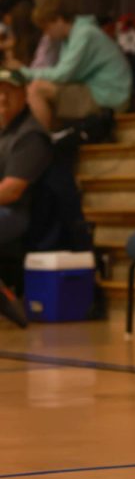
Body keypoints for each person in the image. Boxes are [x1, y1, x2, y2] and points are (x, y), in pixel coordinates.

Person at [7, 0, 132, 135]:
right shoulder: (72, 36)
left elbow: (62, 75)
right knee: (36, 90)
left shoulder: (84, 34)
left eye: (47, 28)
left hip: (109, 96)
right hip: (99, 90)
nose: (47, 34)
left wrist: (24, 72)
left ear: (59, 20)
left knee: (37, 89)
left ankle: (41, 142)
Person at [0, 67, 53, 326]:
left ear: (23, 95)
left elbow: (11, 190)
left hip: (16, 213)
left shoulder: (30, 136)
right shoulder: (3, 130)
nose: (1, 97)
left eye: (8, 91)